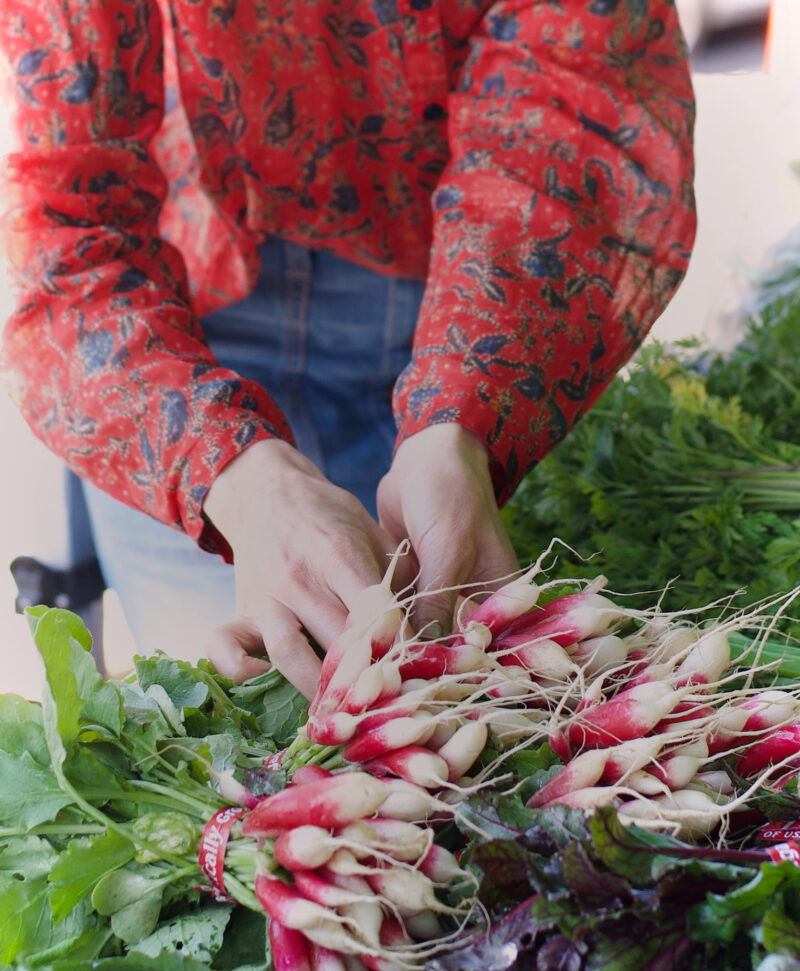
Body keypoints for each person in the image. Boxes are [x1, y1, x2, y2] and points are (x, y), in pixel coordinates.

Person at [0, 0, 696, 699]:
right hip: (185, 328)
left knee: (464, 702)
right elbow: (65, 223)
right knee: (239, 728)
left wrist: (465, 411)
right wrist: (230, 477)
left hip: (466, 293)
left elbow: (571, 98)